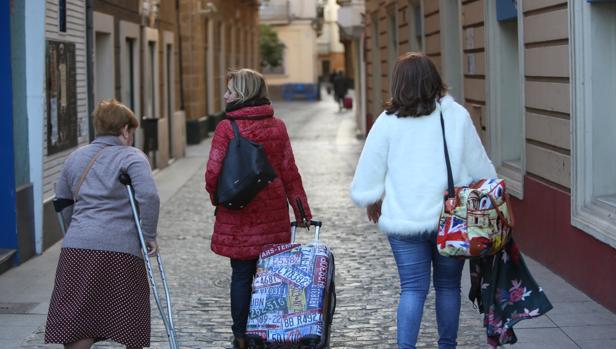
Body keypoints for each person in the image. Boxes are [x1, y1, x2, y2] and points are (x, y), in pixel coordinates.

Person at [350, 53, 496, 349]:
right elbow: (481, 169)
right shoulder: (455, 116)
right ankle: (447, 346)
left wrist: (373, 197)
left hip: (404, 219)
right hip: (451, 220)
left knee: (412, 290)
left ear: (398, 84)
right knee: (447, 288)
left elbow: (370, 170)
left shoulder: (387, 122)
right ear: (434, 79)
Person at [205, 68, 312, 349]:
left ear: (242, 93)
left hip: (238, 214)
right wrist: (301, 213)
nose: (225, 95)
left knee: (241, 275)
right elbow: (290, 172)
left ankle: (240, 336)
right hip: (273, 215)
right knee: (271, 278)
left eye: (230, 90)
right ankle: (269, 331)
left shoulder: (227, 128)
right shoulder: (277, 127)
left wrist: (219, 198)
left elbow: (212, 174)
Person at [45, 99, 160, 349]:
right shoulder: (132, 157)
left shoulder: (76, 157)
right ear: (125, 130)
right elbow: (149, 196)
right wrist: (148, 234)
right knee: (129, 313)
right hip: (121, 248)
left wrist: (76, 228)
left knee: (79, 316)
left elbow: (63, 201)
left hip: (77, 248)